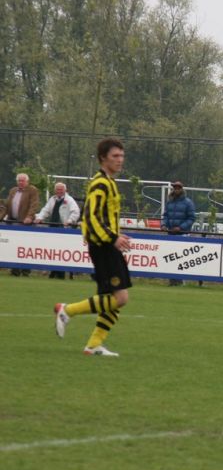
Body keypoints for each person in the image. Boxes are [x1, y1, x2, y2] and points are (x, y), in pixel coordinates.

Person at [54, 138, 132, 357]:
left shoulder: (109, 182)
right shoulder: (100, 183)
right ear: (103, 158)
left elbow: (103, 217)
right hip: (104, 247)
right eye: (115, 156)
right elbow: (91, 216)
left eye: (122, 156)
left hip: (107, 245)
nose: (120, 160)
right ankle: (67, 311)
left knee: (112, 300)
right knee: (120, 298)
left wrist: (116, 235)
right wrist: (112, 238)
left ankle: (94, 345)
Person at [35, 182, 81, 279]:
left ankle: (60, 274)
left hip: (63, 229)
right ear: (55, 190)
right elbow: (45, 210)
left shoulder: (70, 200)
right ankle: (53, 272)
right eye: (57, 189)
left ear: (65, 190)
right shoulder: (52, 199)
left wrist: (69, 221)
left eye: (61, 189)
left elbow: (76, 212)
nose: (59, 191)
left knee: (61, 251)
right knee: (53, 251)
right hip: (52, 228)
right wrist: (39, 218)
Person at [1, 172, 40, 276]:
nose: (21, 182)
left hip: (25, 224)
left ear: (27, 181)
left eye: (23, 181)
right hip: (12, 222)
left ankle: (26, 271)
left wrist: (29, 216)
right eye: (19, 180)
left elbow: (34, 205)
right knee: (13, 247)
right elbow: (7, 205)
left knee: (25, 248)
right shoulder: (13, 190)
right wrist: (1, 217)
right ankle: (15, 270)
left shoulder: (32, 190)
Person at [161, 180, 196, 286]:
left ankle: (181, 282)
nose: (176, 189)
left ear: (182, 189)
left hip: (182, 234)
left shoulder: (188, 202)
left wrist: (180, 227)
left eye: (178, 188)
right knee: (170, 258)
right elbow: (165, 216)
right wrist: (163, 224)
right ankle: (172, 281)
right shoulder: (170, 202)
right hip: (171, 233)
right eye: (175, 187)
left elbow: (192, 218)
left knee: (181, 259)